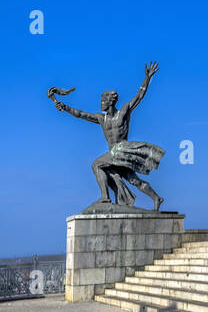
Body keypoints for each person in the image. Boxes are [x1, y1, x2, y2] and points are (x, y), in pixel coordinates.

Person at [53, 62, 165, 209]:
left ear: (110, 102)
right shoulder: (101, 118)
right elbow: (81, 114)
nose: (101, 104)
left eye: (103, 101)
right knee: (133, 180)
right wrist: (64, 107)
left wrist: (147, 78)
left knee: (96, 165)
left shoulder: (123, 112)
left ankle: (105, 198)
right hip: (114, 153)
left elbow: (139, 97)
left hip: (122, 149)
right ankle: (156, 198)